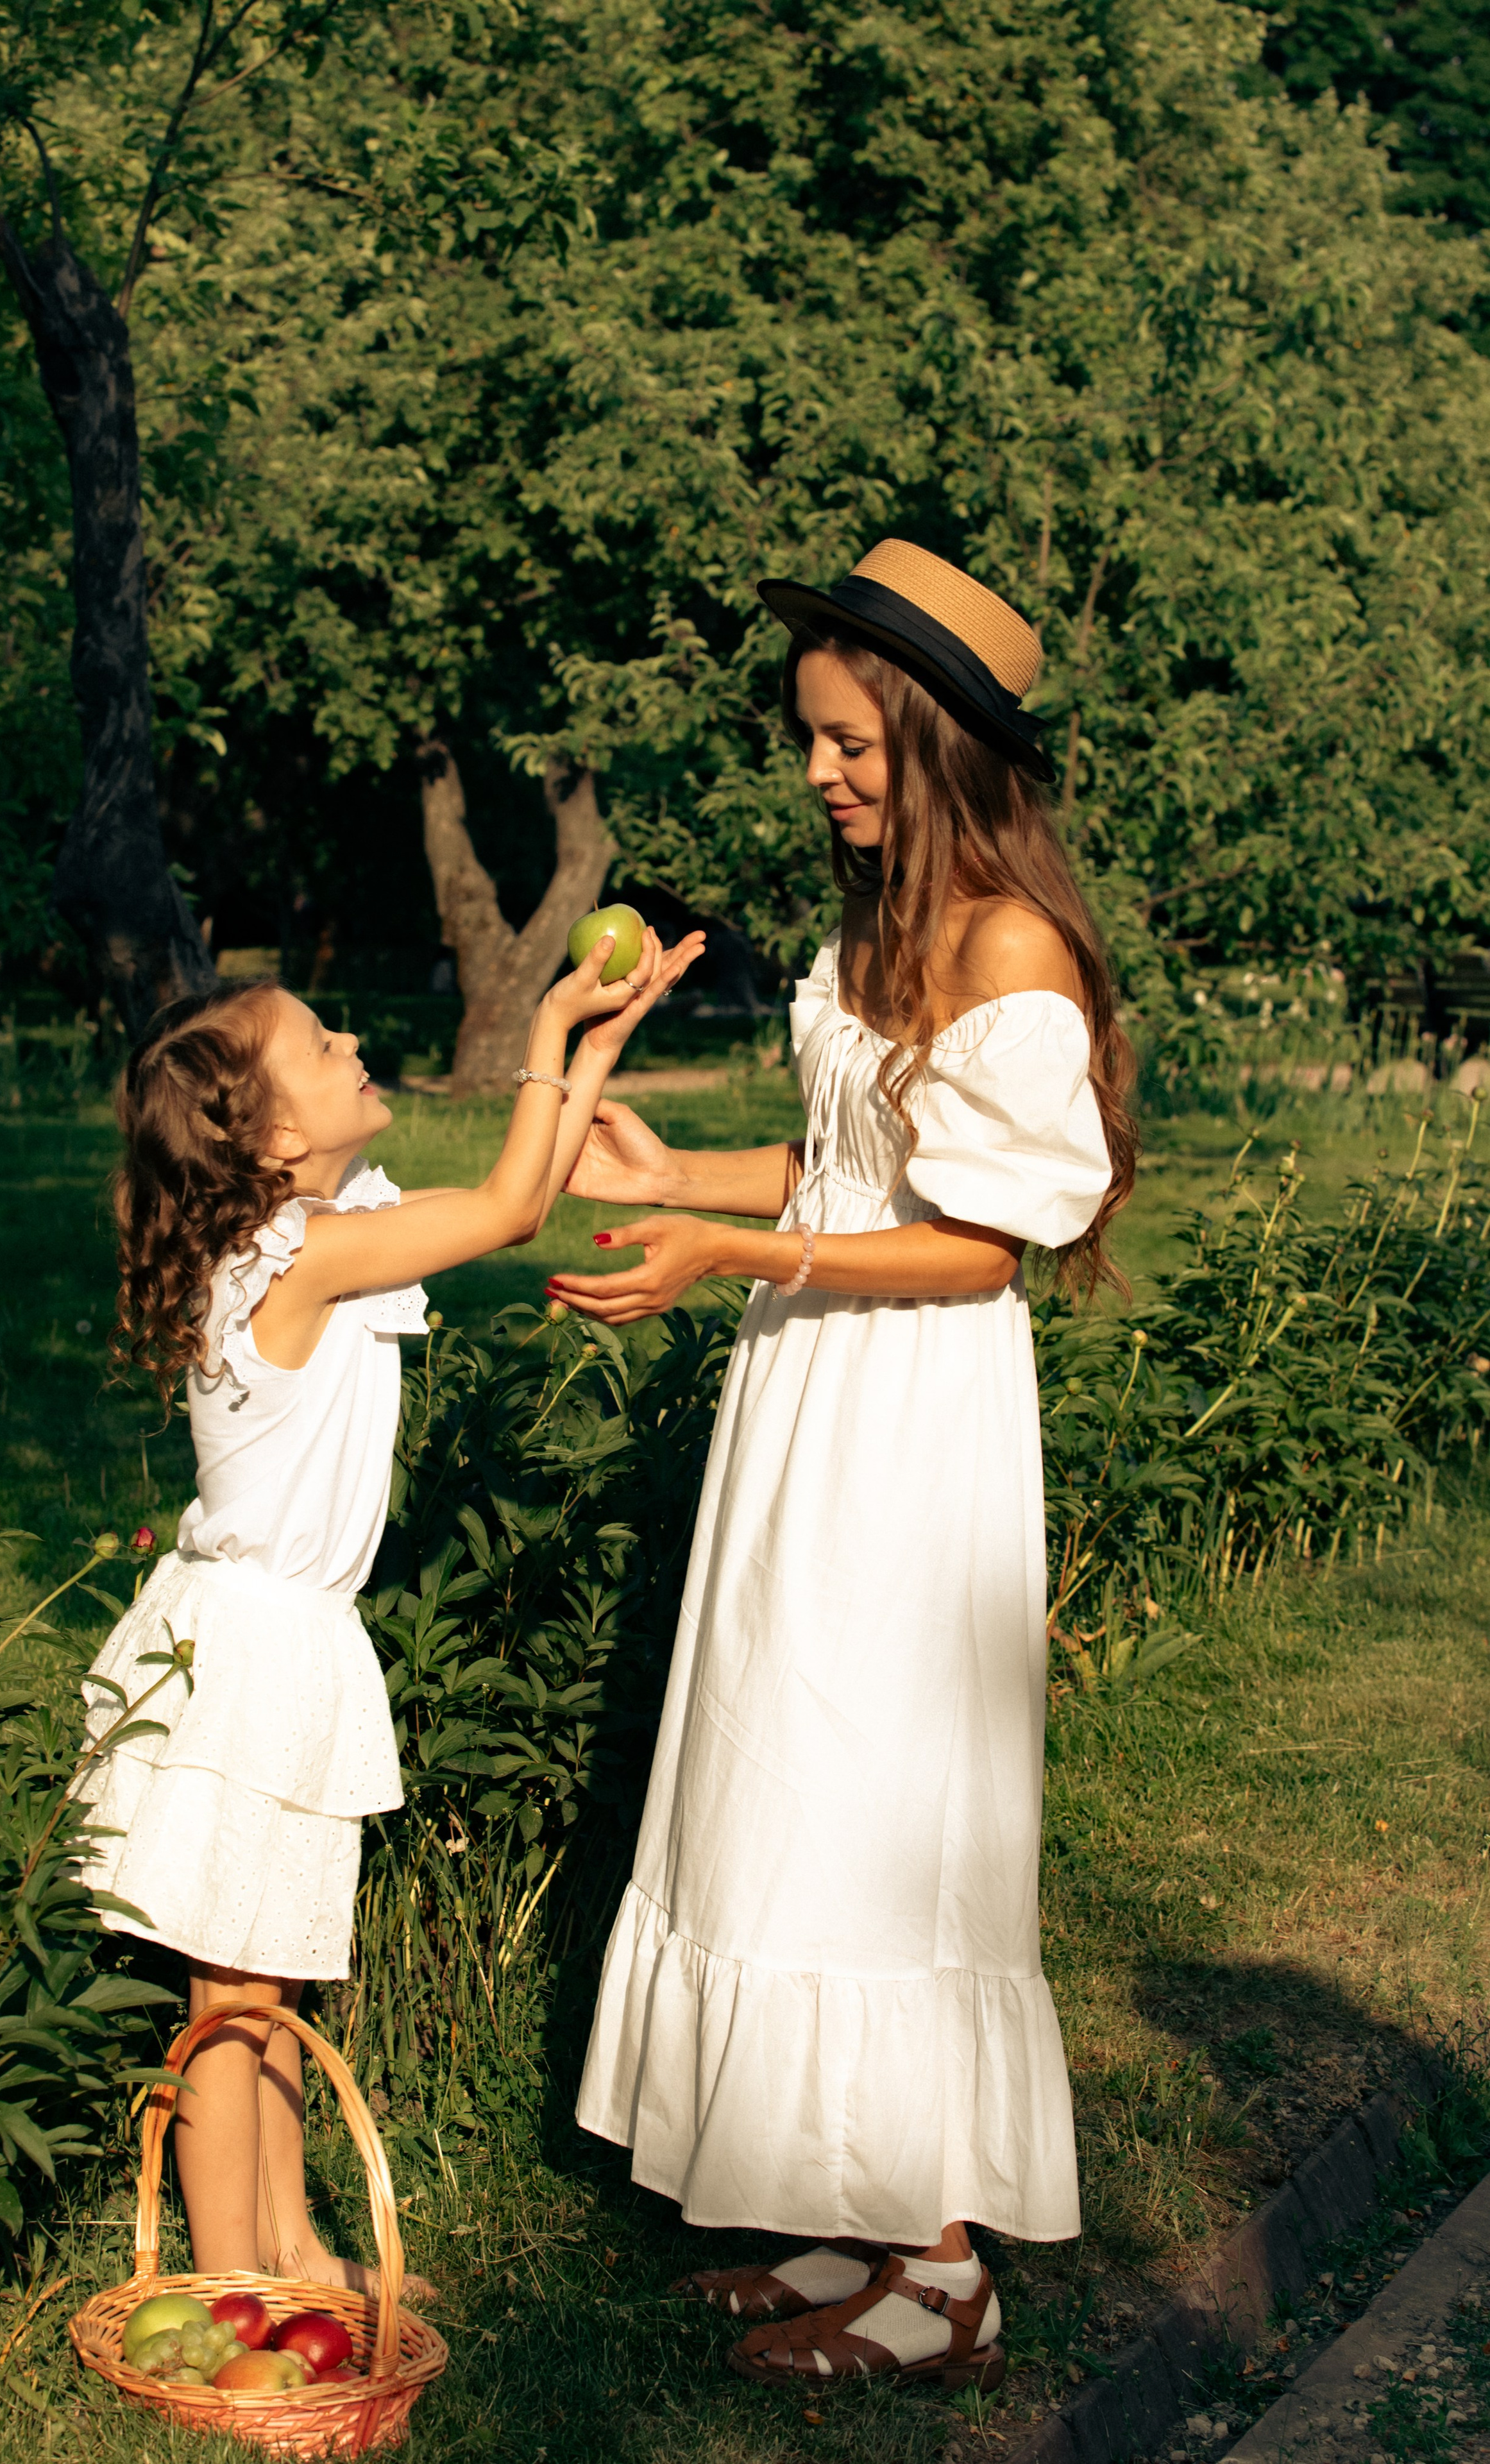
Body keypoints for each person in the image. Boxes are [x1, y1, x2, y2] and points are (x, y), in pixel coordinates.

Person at [550, 540, 1136, 2390]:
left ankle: (944, 2267)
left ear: (945, 743)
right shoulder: (877, 929)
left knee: (885, 1804)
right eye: (811, 740)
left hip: (909, 1424)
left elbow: (978, 1242)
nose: (823, 774)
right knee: (791, 1774)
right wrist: (677, 1183)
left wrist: (741, 1258)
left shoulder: (1009, 949)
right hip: (813, 1398)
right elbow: (844, 1176)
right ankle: (859, 2202)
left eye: (856, 744)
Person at [76, 919, 702, 2289]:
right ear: (268, 1147)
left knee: (271, 1984)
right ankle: (229, 2287)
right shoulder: (297, 1254)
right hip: (247, 1655)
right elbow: (508, 1213)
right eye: (320, 1042)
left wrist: (593, 1042)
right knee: (228, 2003)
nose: (354, 1040)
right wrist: (544, 1030)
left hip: (277, 1647)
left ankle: (294, 2248)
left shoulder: (315, 1231)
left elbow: (515, 1187)